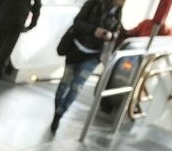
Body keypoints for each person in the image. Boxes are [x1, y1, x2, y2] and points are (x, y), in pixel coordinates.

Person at [51, 0, 125, 132]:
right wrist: (94, 30)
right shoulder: (93, 3)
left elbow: (116, 32)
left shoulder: (118, 12)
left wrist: (110, 35)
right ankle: (57, 110)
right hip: (76, 49)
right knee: (64, 84)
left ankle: (59, 115)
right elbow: (77, 21)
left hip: (94, 55)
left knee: (76, 87)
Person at [0, 0, 42, 107]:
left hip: (12, 22)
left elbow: (37, 5)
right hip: (4, 20)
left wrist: (32, 24)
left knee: (0, 60)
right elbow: (37, 5)